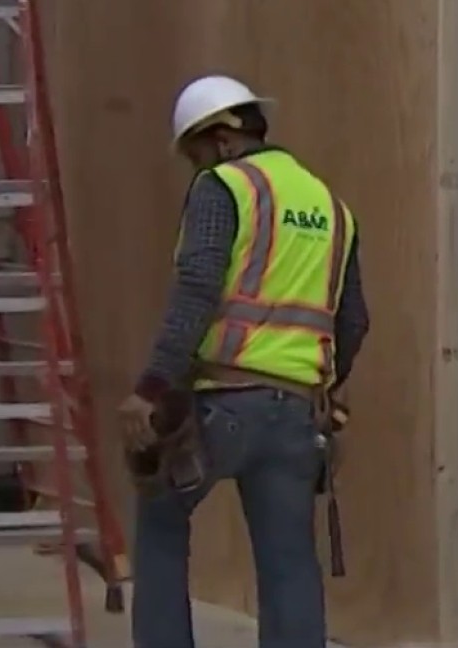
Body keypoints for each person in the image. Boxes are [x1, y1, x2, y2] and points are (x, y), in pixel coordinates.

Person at [121, 75, 371, 648]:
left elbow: (197, 290)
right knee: (288, 563)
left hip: (222, 406)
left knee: (160, 519)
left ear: (222, 139)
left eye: (195, 154)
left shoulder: (225, 187)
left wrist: (152, 387)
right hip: (296, 418)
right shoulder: (330, 205)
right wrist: (328, 384)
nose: (196, 167)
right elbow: (353, 319)